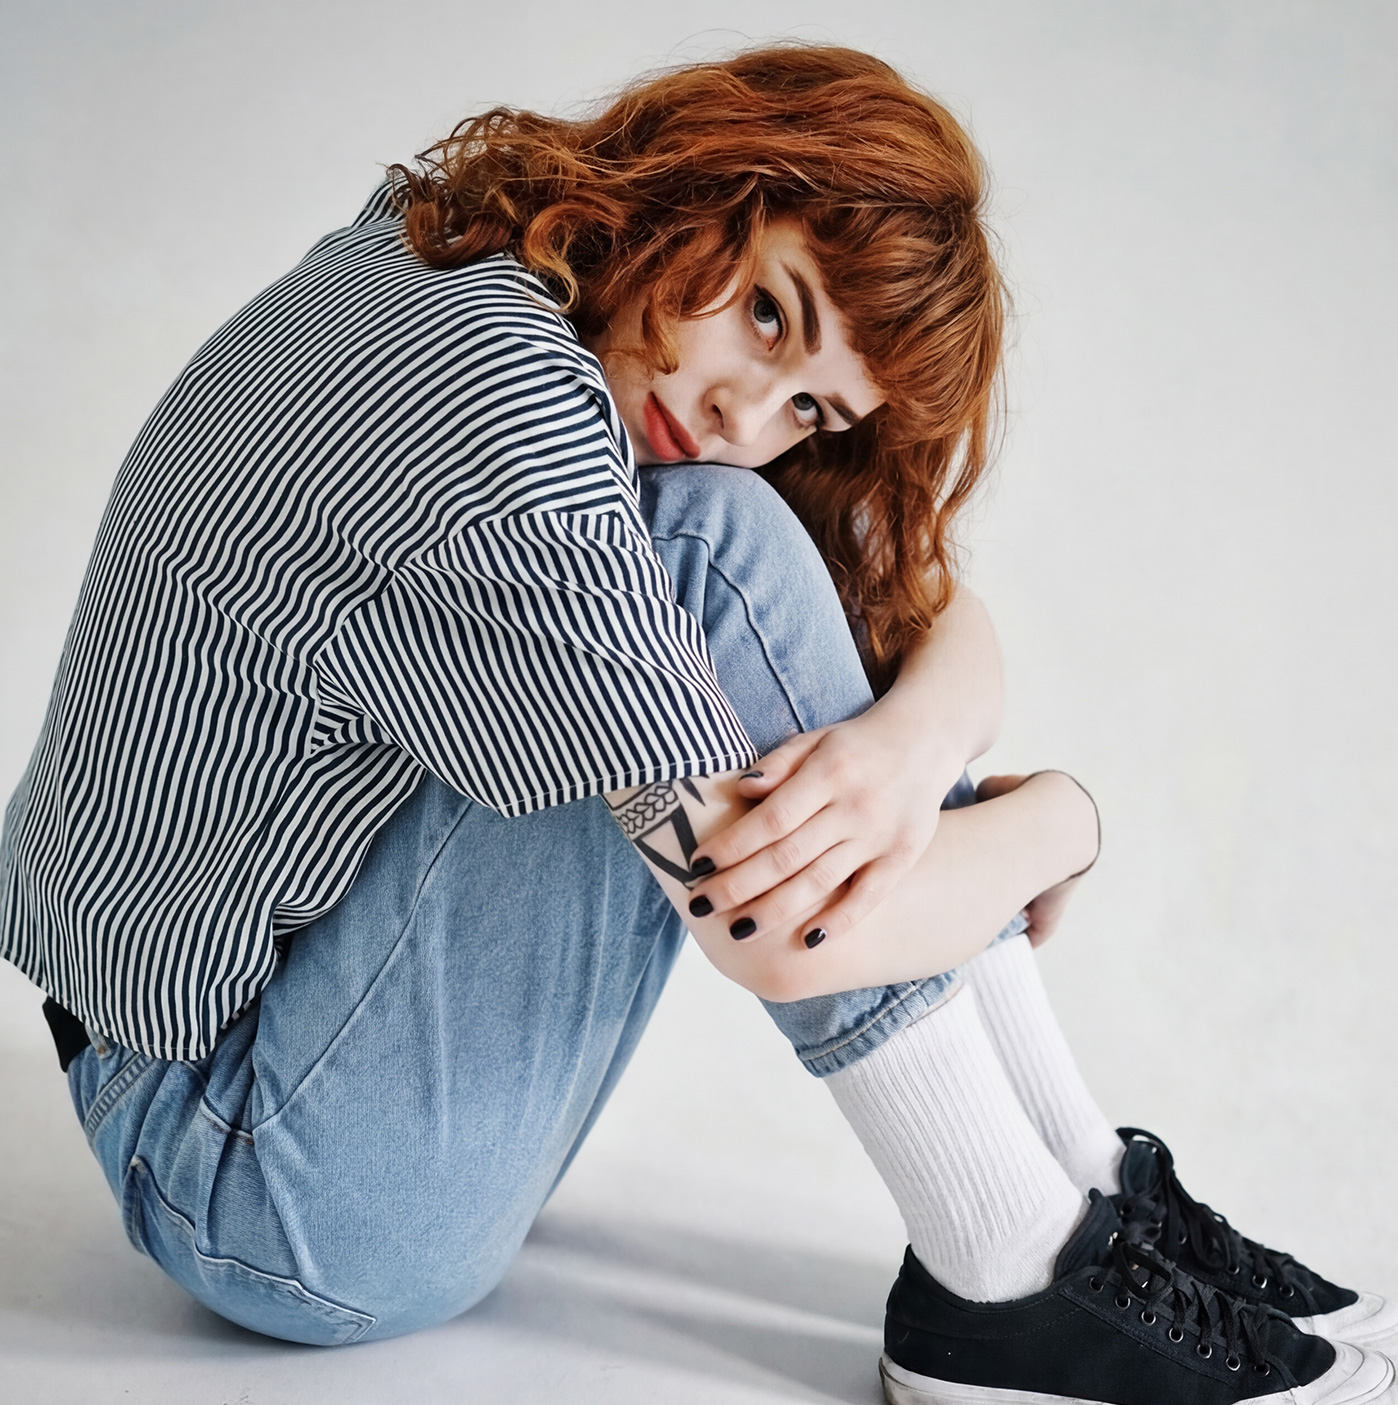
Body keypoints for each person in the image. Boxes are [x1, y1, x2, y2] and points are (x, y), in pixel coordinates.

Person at [2, 43, 1393, 1404]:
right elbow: (778, 930)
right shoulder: (508, 421)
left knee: (746, 537)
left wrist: (912, 746)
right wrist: (1062, 821)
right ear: (715, 179)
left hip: (242, 1070)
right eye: (772, 312)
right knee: (719, 547)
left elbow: (928, 610)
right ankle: (1005, 1270)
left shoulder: (458, 262)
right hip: (249, 1176)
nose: (742, 410)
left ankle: (1077, 1191)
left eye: (810, 407)